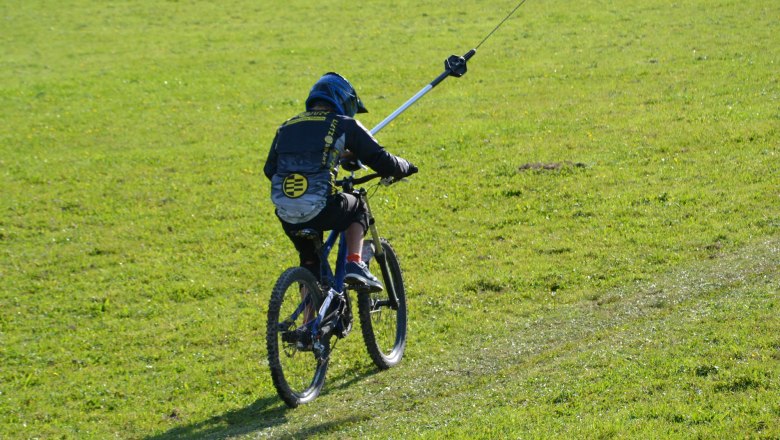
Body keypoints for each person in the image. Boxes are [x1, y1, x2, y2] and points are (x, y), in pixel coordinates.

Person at [264, 72, 417, 292]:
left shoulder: (286, 126)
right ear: (344, 101)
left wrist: (333, 158)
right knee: (358, 205)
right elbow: (381, 160)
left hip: (286, 211)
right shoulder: (344, 124)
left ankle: (309, 323)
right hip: (321, 207)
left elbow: (271, 169)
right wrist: (404, 166)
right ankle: (354, 263)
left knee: (310, 265)